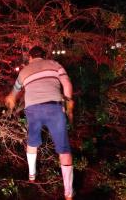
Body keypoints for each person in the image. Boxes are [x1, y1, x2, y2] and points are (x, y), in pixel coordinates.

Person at [5, 46, 74, 200]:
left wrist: (10, 102)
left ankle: (31, 175)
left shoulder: (24, 71)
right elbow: (67, 85)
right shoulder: (55, 65)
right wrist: (68, 107)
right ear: (44, 56)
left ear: (30, 57)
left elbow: (13, 94)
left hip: (33, 110)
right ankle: (68, 193)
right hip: (54, 107)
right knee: (64, 149)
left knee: (32, 142)